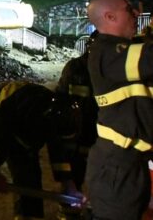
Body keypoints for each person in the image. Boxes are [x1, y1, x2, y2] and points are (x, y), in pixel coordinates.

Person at [0, 82, 82, 219]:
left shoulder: (57, 114)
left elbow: (58, 150)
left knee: (29, 180)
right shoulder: (15, 112)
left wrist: (68, 182)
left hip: (23, 124)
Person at [85, 0, 153, 220]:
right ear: (110, 16)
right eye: (129, 9)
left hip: (130, 165)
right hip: (116, 169)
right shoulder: (106, 52)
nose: (137, 13)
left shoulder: (123, 51)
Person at [54, 31, 98, 219]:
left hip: (99, 135)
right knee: (72, 177)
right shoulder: (75, 68)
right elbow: (61, 98)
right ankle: (68, 214)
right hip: (77, 134)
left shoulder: (112, 69)